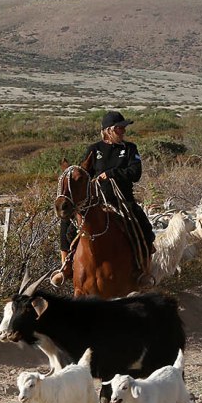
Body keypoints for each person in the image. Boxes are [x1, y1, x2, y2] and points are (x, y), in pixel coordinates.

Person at [54, 110, 156, 287]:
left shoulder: (130, 149)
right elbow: (85, 173)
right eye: (119, 128)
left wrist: (111, 173)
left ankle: (143, 270)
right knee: (66, 222)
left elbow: (135, 173)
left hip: (121, 198)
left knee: (144, 226)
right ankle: (65, 266)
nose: (123, 131)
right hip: (96, 199)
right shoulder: (94, 149)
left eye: (123, 128)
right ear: (108, 130)